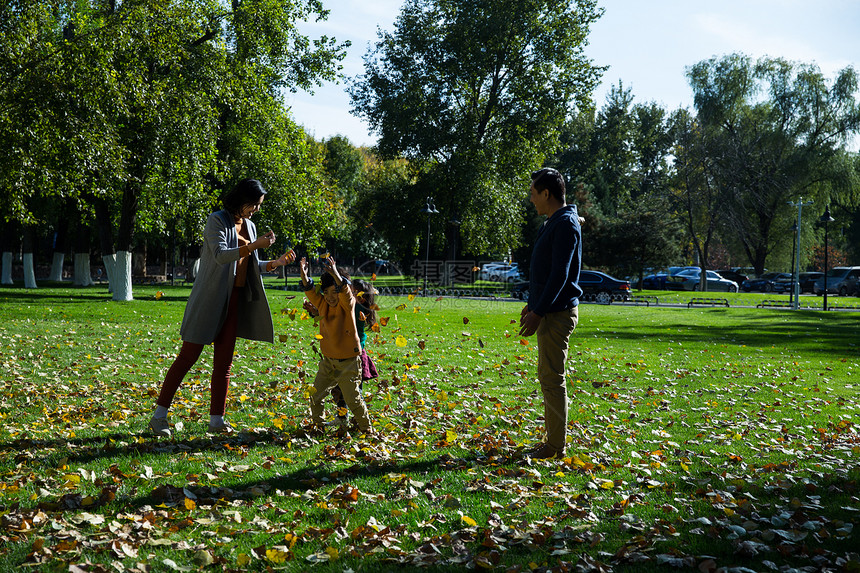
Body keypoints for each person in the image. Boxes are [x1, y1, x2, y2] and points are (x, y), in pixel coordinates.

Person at [148, 179, 296, 437]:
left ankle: (217, 420)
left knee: (224, 364)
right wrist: (253, 246)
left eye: (259, 206)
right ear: (241, 200)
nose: (256, 210)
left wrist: (276, 262)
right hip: (209, 299)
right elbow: (221, 255)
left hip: (235, 301)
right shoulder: (216, 220)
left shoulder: (250, 226)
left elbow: (252, 265)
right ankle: (159, 416)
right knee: (187, 358)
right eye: (254, 204)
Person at [518, 167, 583, 460]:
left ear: (547, 193)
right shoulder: (555, 221)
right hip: (547, 310)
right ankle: (553, 441)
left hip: (556, 314)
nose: (531, 199)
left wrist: (539, 311)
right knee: (548, 376)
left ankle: (556, 446)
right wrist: (533, 304)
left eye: (533, 194)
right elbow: (545, 273)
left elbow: (559, 275)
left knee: (552, 378)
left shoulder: (565, 224)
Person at [299, 256, 373, 435]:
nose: (331, 297)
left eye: (334, 292)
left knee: (353, 399)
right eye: (327, 292)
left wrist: (334, 272)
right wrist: (303, 274)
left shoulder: (347, 305)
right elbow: (310, 291)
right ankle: (318, 427)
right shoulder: (323, 304)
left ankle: (367, 430)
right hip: (328, 362)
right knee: (315, 395)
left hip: (348, 362)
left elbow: (346, 292)